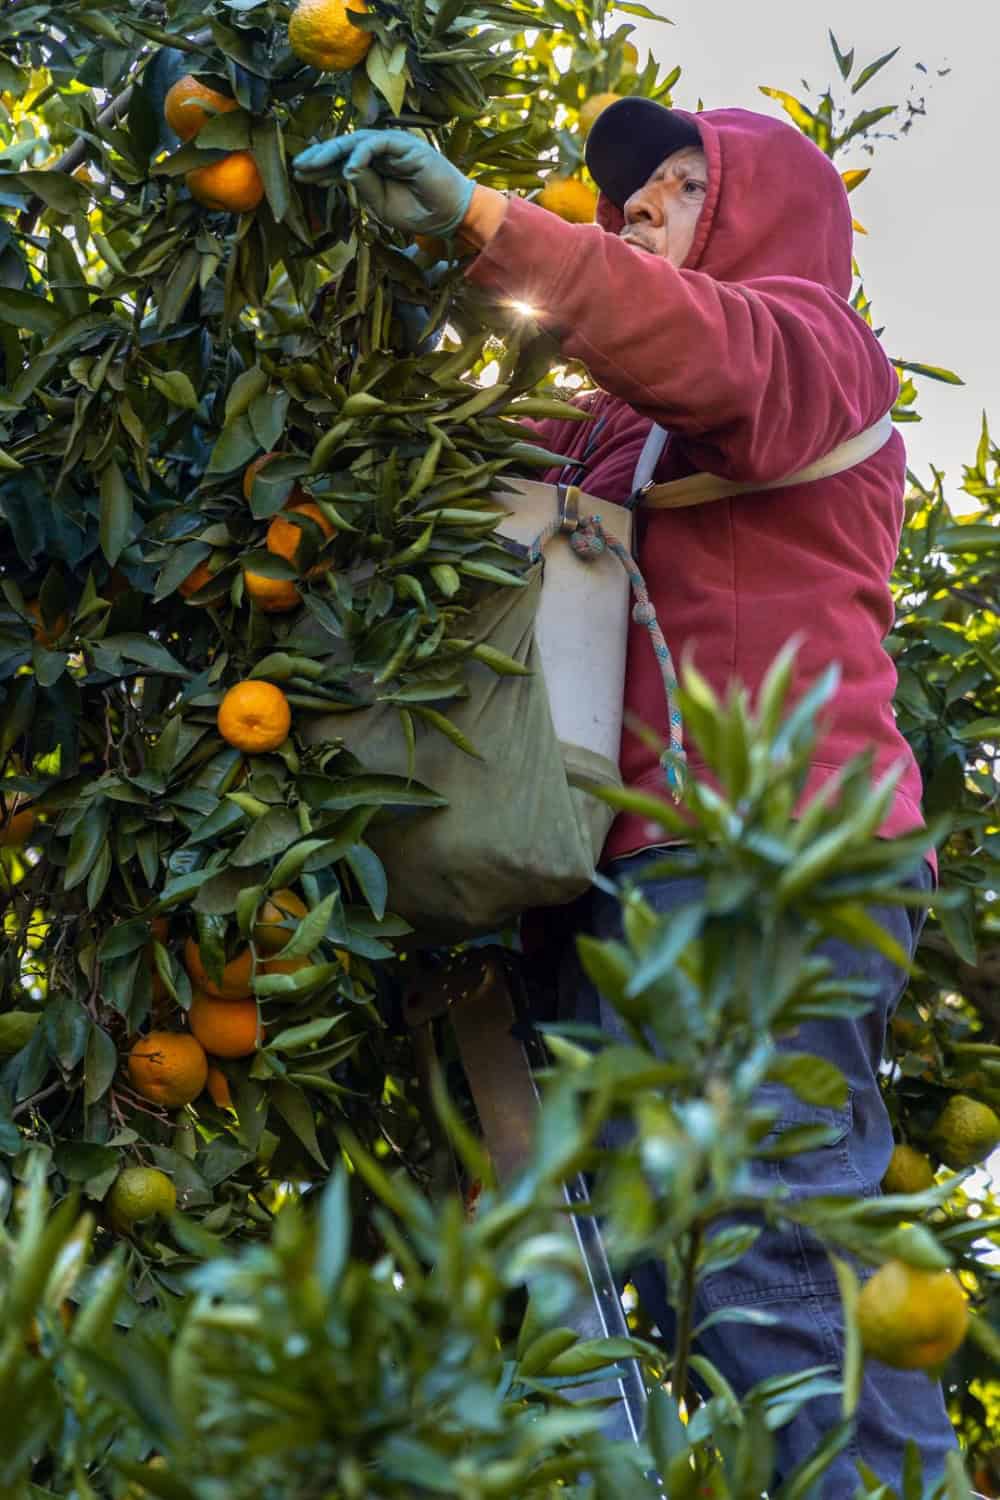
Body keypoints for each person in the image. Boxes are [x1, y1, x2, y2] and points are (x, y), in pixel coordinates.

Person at [293, 100, 958, 1495]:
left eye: (677, 184)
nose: (637, 208)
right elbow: (467, 474)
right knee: (659, 1278)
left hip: (767, 858)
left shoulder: (812, 350)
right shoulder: (619, 433)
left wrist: (489, 224)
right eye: (627, 194)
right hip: (632, 878)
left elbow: (699, 343)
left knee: (772, 1245)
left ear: (767, 213)